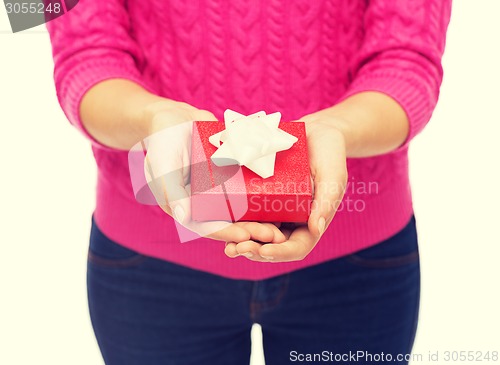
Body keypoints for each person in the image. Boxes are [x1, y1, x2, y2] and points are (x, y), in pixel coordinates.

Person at [47, 1, 451, 364]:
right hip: (147, 261)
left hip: (358, 258)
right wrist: (152, 117)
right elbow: (81, 54)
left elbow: (409, 60)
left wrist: (338, 128)